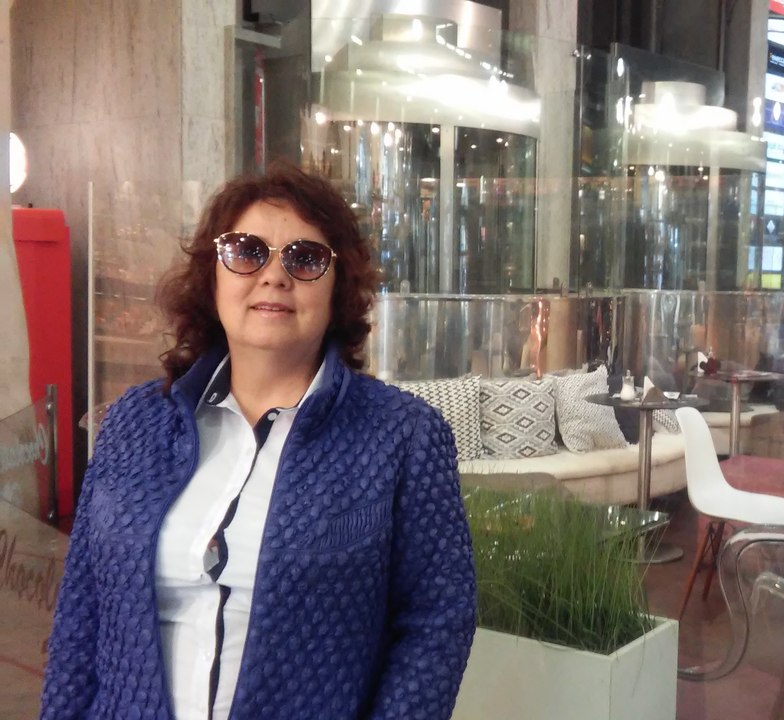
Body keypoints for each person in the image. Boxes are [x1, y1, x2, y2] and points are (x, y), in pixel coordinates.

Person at [41, 164, 477, 719]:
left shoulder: (403, 437)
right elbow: (80, 615)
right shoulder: (134, 422)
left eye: (305, 258)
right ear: (213, 275)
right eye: (246, 251)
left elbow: (437, 622)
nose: (274, 275)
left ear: (339, 286)